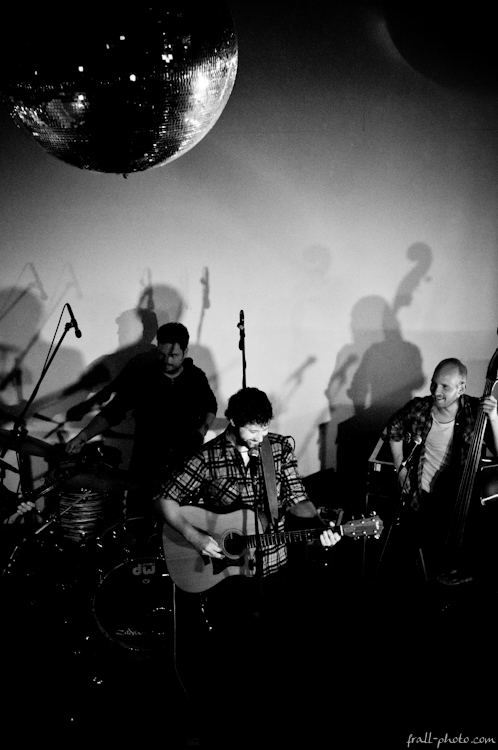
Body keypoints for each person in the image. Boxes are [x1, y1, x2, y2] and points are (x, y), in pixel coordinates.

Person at [65, 322, 217, 516]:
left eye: (173, 355)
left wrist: (202, 431)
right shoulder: (143, 375)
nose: (167, 360)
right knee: (139, 518)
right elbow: (113, 411)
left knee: (180, 523)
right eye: (162, 354)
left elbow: (211, 406)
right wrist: (84, 435)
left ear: (185, 352)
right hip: (147, 464)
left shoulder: (196, 377)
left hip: (184, 464)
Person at [385, 357, 498, 583]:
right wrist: (401, 469)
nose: (436, 391)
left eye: (445, 387)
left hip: (460, 504)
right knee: (418, 564)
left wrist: (494, 418)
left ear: (461, 388)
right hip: (424, 499)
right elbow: (394, 428)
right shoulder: (420, 408)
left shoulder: (475, 412)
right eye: (434, 384)